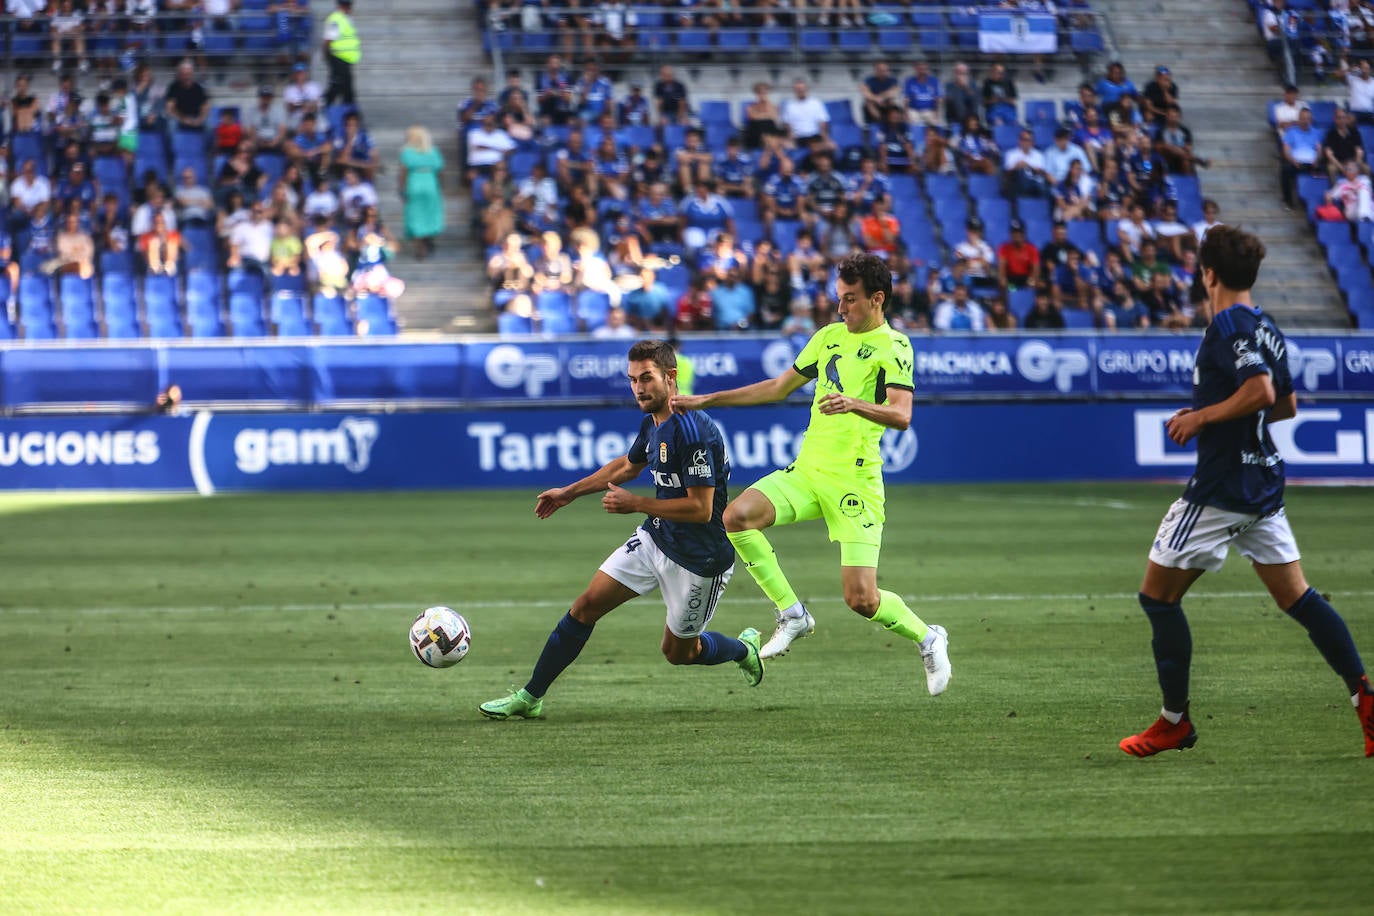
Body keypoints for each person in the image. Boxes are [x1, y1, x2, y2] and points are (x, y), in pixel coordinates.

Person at [1119, 225, 1374, 758]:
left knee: (1157, 598)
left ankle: (1175, 722)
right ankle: (1366, 700)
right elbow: (1286, 405)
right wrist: (1226, 412)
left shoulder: (1229, 324)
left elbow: (1260, 391)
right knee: (1299, 599)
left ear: (1207, 273)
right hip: (1262, 483)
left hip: (1221, 486)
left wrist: (1201, 417)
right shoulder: (1265, 326)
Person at [669, 253, 952, 691]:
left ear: (877, 299)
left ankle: (928, 637)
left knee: (861, 599)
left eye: (851, 300)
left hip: (854, 481)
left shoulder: (894, 347)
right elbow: (777, 387)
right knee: (736, 518)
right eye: (839, 299)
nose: (841, 309)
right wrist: (708, 399)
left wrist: (853, 403)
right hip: (807, 471)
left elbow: (902, 415)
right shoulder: (827, 337)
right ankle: (792, 613)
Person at [479, 339, 761, 720]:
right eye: (632, 380)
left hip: (700, 559)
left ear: (670, 377)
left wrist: (636, 503)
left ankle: (744, 651)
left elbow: (701, 508)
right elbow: (626, 468)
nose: (639, 388)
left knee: (679, 653)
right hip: (656, 538)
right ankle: (530, 697)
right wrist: (569, 493)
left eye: (646, 378)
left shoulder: (694, 431)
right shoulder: (654, 423)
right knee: (585, 606)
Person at [398, 125, 444, 260]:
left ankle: (420, 248)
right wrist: (440, 187)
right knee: (430, 213)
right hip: (430, 182)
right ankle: (429, 237)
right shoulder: (433, 151)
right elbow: (440, 172)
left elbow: (403, 173)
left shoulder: (407, 152)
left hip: (414, 183)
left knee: (415, 216)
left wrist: (401, 189)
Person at [322, 0, 360, 108]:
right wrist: (327, 56)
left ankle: (348, 112)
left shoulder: (346, 19)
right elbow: (328, 39)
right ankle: (326, 107)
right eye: (348, 5)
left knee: (345, 87)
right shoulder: (336, 19)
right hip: (338, 58)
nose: (350, 8)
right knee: (339, 86)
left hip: (345, 59)